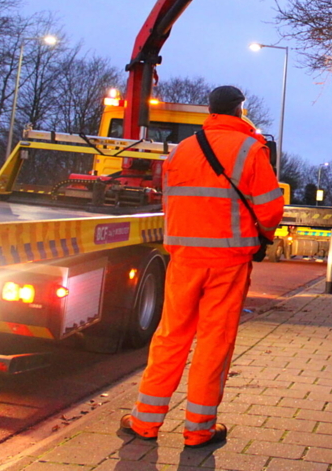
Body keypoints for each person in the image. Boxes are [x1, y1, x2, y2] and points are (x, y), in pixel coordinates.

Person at [120, 85, 284, 448]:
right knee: (214, 342)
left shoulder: (181, 151)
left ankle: (145, 421)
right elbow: (271, 210)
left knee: (170, 337)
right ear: (240, 109)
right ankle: (198, 430)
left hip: (184, 258)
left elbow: (171, 203)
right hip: (229, 261)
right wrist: (262, 236)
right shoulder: (251, 150)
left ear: (209, 110)